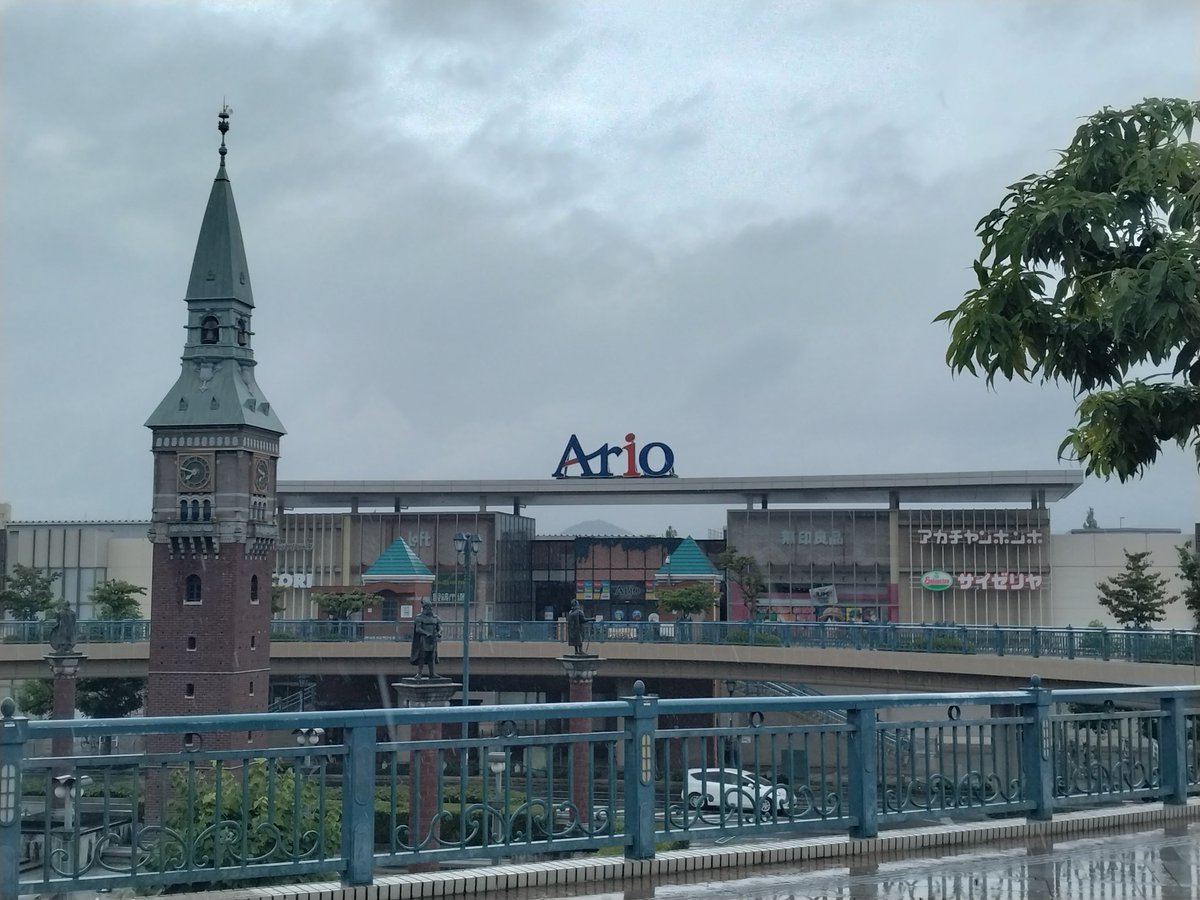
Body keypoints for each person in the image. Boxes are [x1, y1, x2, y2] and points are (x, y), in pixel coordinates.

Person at [409, 600, 441, 678]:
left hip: (432, 640)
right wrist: (426, 633)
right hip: (424, 639)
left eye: (431, 607)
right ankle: (419, 673)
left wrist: (439, 632)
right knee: (422, 656)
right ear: (424, 608)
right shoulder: (419, 618)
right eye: (428, 607)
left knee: (432, 656)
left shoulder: (435, 617)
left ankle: (432, 673)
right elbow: (418, 629)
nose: (430, 609)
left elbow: (440, 627)